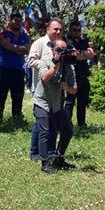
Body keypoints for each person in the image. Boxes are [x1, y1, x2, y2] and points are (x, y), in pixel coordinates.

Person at [32, 39, 77, 174]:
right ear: (52, 50)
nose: (61, 53)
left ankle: (59, 159)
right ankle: (45, 163)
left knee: (67, 131)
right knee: (44, 131)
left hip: (57, 104)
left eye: (64, 50)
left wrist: (67, 88)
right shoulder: (44, 61)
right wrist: (56, 66)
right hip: (42, 102)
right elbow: (45, 78)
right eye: (59, 50)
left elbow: (74, 89)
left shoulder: (69, 66)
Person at [27, 19, 64, 161]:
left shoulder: (61, 44)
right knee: (41, 121)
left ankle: (49, 150)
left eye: (60, 29)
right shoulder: (39, 43)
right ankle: (35, 152)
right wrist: (47, 64)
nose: (58, 32)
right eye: (55, 29)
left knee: (53, 119)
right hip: (42, 87)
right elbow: (31, 61)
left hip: (55, 88)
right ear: (48, 29)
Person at [0, 12, 31, 121]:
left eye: (20, 21)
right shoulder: (4, 34)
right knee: (1, 94)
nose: (18, 23)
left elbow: (29, 49)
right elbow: (8, 46)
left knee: (18, 96)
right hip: (3, 69)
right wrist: (21, 49)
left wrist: (18, 48)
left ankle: (17, 120)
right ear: (10, 21)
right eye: (16, 21)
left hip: (18, 69)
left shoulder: (24, 36)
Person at [63, 21, 95, 128]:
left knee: (82, 102)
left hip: (83, 75)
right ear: (70, 30)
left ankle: (81, 123)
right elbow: (75, 55)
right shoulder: (67, 42)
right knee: (70, 101)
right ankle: (67, 123)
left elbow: (91, 54)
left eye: (78, 30)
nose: (77, 32)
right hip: (72, 75)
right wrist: (85, 54)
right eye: (74, 30)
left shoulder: (84, 41)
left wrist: (83, 54)